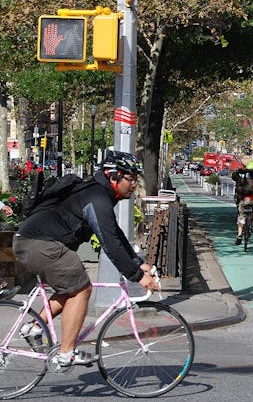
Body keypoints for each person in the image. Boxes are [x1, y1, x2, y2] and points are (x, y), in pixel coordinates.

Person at [12, 151, 160, 368]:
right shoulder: (97, 198)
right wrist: (137, 277)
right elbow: (109, 242)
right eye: (130, 179)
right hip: (41, 245)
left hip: (32, 243)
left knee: (70, 288)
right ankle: (67, 353)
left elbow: (115, 233)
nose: (134, 185)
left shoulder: (98, 193)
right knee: (82, 289)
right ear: (114, 176)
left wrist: (138, 262)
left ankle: (35, 328)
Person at [232, 163, 253, 244]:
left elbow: (234, 177)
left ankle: (239, 234)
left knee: (241, 216)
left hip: (244, 200)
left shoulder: (242, 177)